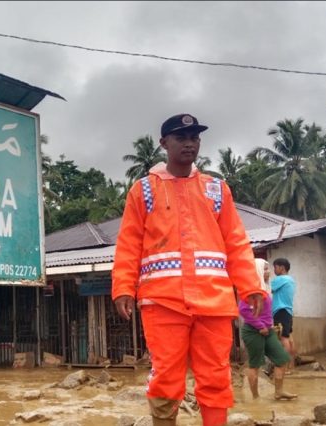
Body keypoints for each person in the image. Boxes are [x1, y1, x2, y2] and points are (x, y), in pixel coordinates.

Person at [112, 113, 265, 426]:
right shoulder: (142, 191)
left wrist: (251, 286)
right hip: (162, 302)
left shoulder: (217, 189)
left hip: (214, 303)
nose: (189, 143)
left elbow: (236, 241)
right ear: (164, 143)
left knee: (215, 377)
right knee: (166, 376)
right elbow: (129, 243)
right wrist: (123, 288)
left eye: (194, 138)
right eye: (181, 138)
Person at [239, 259, 297, 400]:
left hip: (267, 330)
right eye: (265, 269)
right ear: (257, 270)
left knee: (282, 359)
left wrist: (268, 325)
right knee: (255, 365)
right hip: (254, 331)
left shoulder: (265, 287)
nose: (268, 271)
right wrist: (260, 326)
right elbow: (243, 310)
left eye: (268, 268)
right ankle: (256, 397)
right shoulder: (251, 288)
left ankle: (279, 391)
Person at [271, 258, 297, 372]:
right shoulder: (290, 280)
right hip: (288, 311)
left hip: (280, 311)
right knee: (289, 338)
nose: (274, 270)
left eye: (275, 267)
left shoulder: (280, 279)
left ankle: (283, 366)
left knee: (283, 339)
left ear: (282, 268)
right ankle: (291, 365)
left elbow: (267, 288)